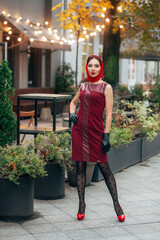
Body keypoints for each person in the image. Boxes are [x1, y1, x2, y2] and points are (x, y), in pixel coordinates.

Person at [69, 55, 125, 222]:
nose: (93, 68)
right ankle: (81, 204)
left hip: (96, 132)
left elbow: (108, 114)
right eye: (90, 66)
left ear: (101, 68)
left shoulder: (106, 87)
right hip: (79, 131)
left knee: (104, 168)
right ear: (87, 68)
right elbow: (73, 103)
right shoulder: (84, 85)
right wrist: (72, 113)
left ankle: (117, 204)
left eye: (96, 66)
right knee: (80, 167)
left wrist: (106, 135)